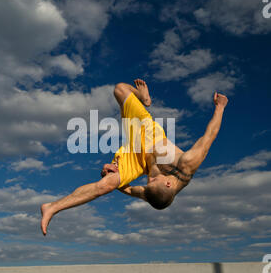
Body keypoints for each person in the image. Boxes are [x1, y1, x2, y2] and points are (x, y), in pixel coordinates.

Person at [40, 79, 228, 235]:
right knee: (120, 89)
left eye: (148, 182)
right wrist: (220, 107)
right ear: (168, 184)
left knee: (106, 186)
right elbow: (210, 135)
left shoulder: (151, 192)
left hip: (137, 160)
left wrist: (108, 175)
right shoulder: (188, 164)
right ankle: (143, 98)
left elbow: (129, 190)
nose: (149, 178)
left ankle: (52, 207)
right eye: (153, 180)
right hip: (148, 135)